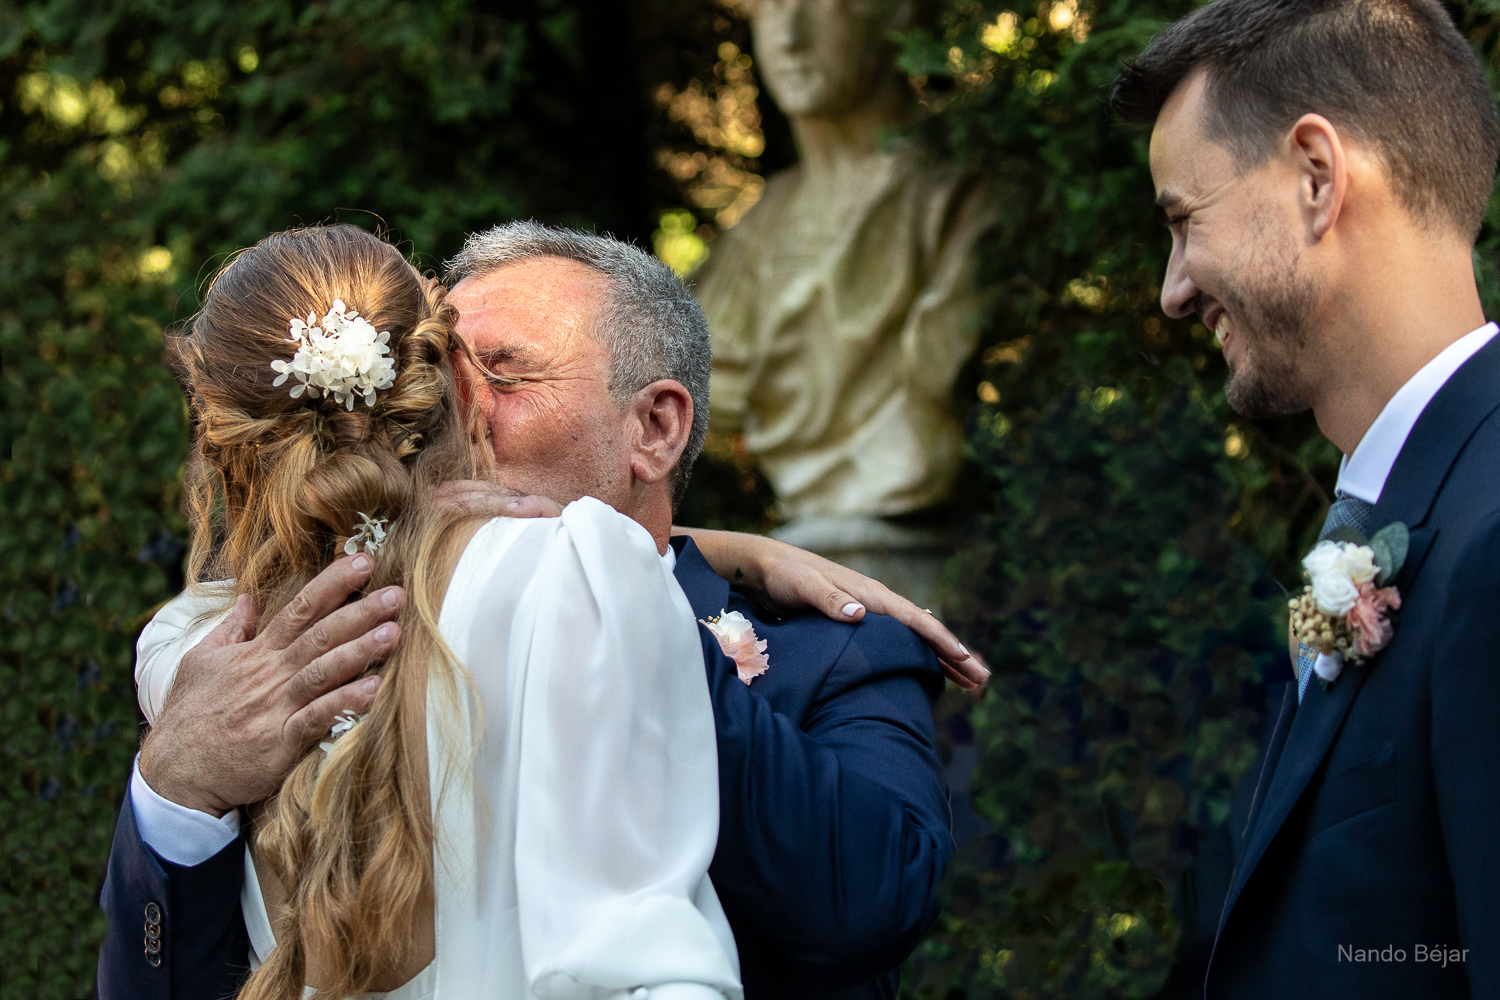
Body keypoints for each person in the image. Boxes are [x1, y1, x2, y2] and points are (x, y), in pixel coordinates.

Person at [99, 222, 986, 998]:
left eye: (505, 374)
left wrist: (622, 613)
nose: (447, 418)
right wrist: (173, 787)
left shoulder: (836, 652)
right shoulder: (282, 654)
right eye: (433, 375)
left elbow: (870, 907)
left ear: (655, 429)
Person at [1113, 0, 1500, 996]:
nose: (1172, 290)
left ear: (1318, 178)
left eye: (1183, 222)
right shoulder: (1411, 510)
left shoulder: (1494, 536)